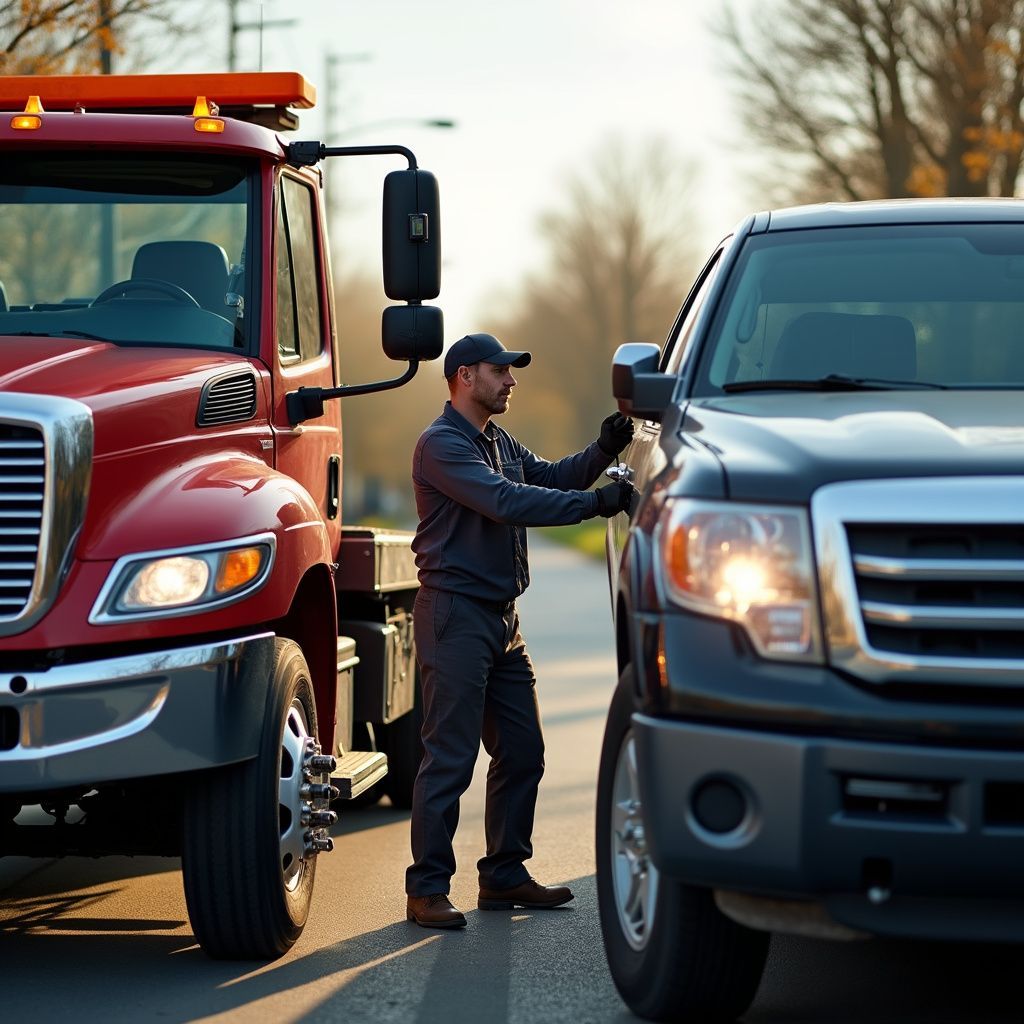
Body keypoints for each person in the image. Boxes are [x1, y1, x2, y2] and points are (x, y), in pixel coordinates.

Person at [405, 332, 635, 929]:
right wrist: (599, 505)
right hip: (455, 616)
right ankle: (426, 889)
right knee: (449, 760)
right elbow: (508, 502)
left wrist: (602, 449)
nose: (511, 380)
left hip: (503, 620)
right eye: (499, 370)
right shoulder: (441, 447)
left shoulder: (497, 440)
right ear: (463, 376)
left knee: (523, 751)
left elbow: (552, 477)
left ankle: (504, 874)